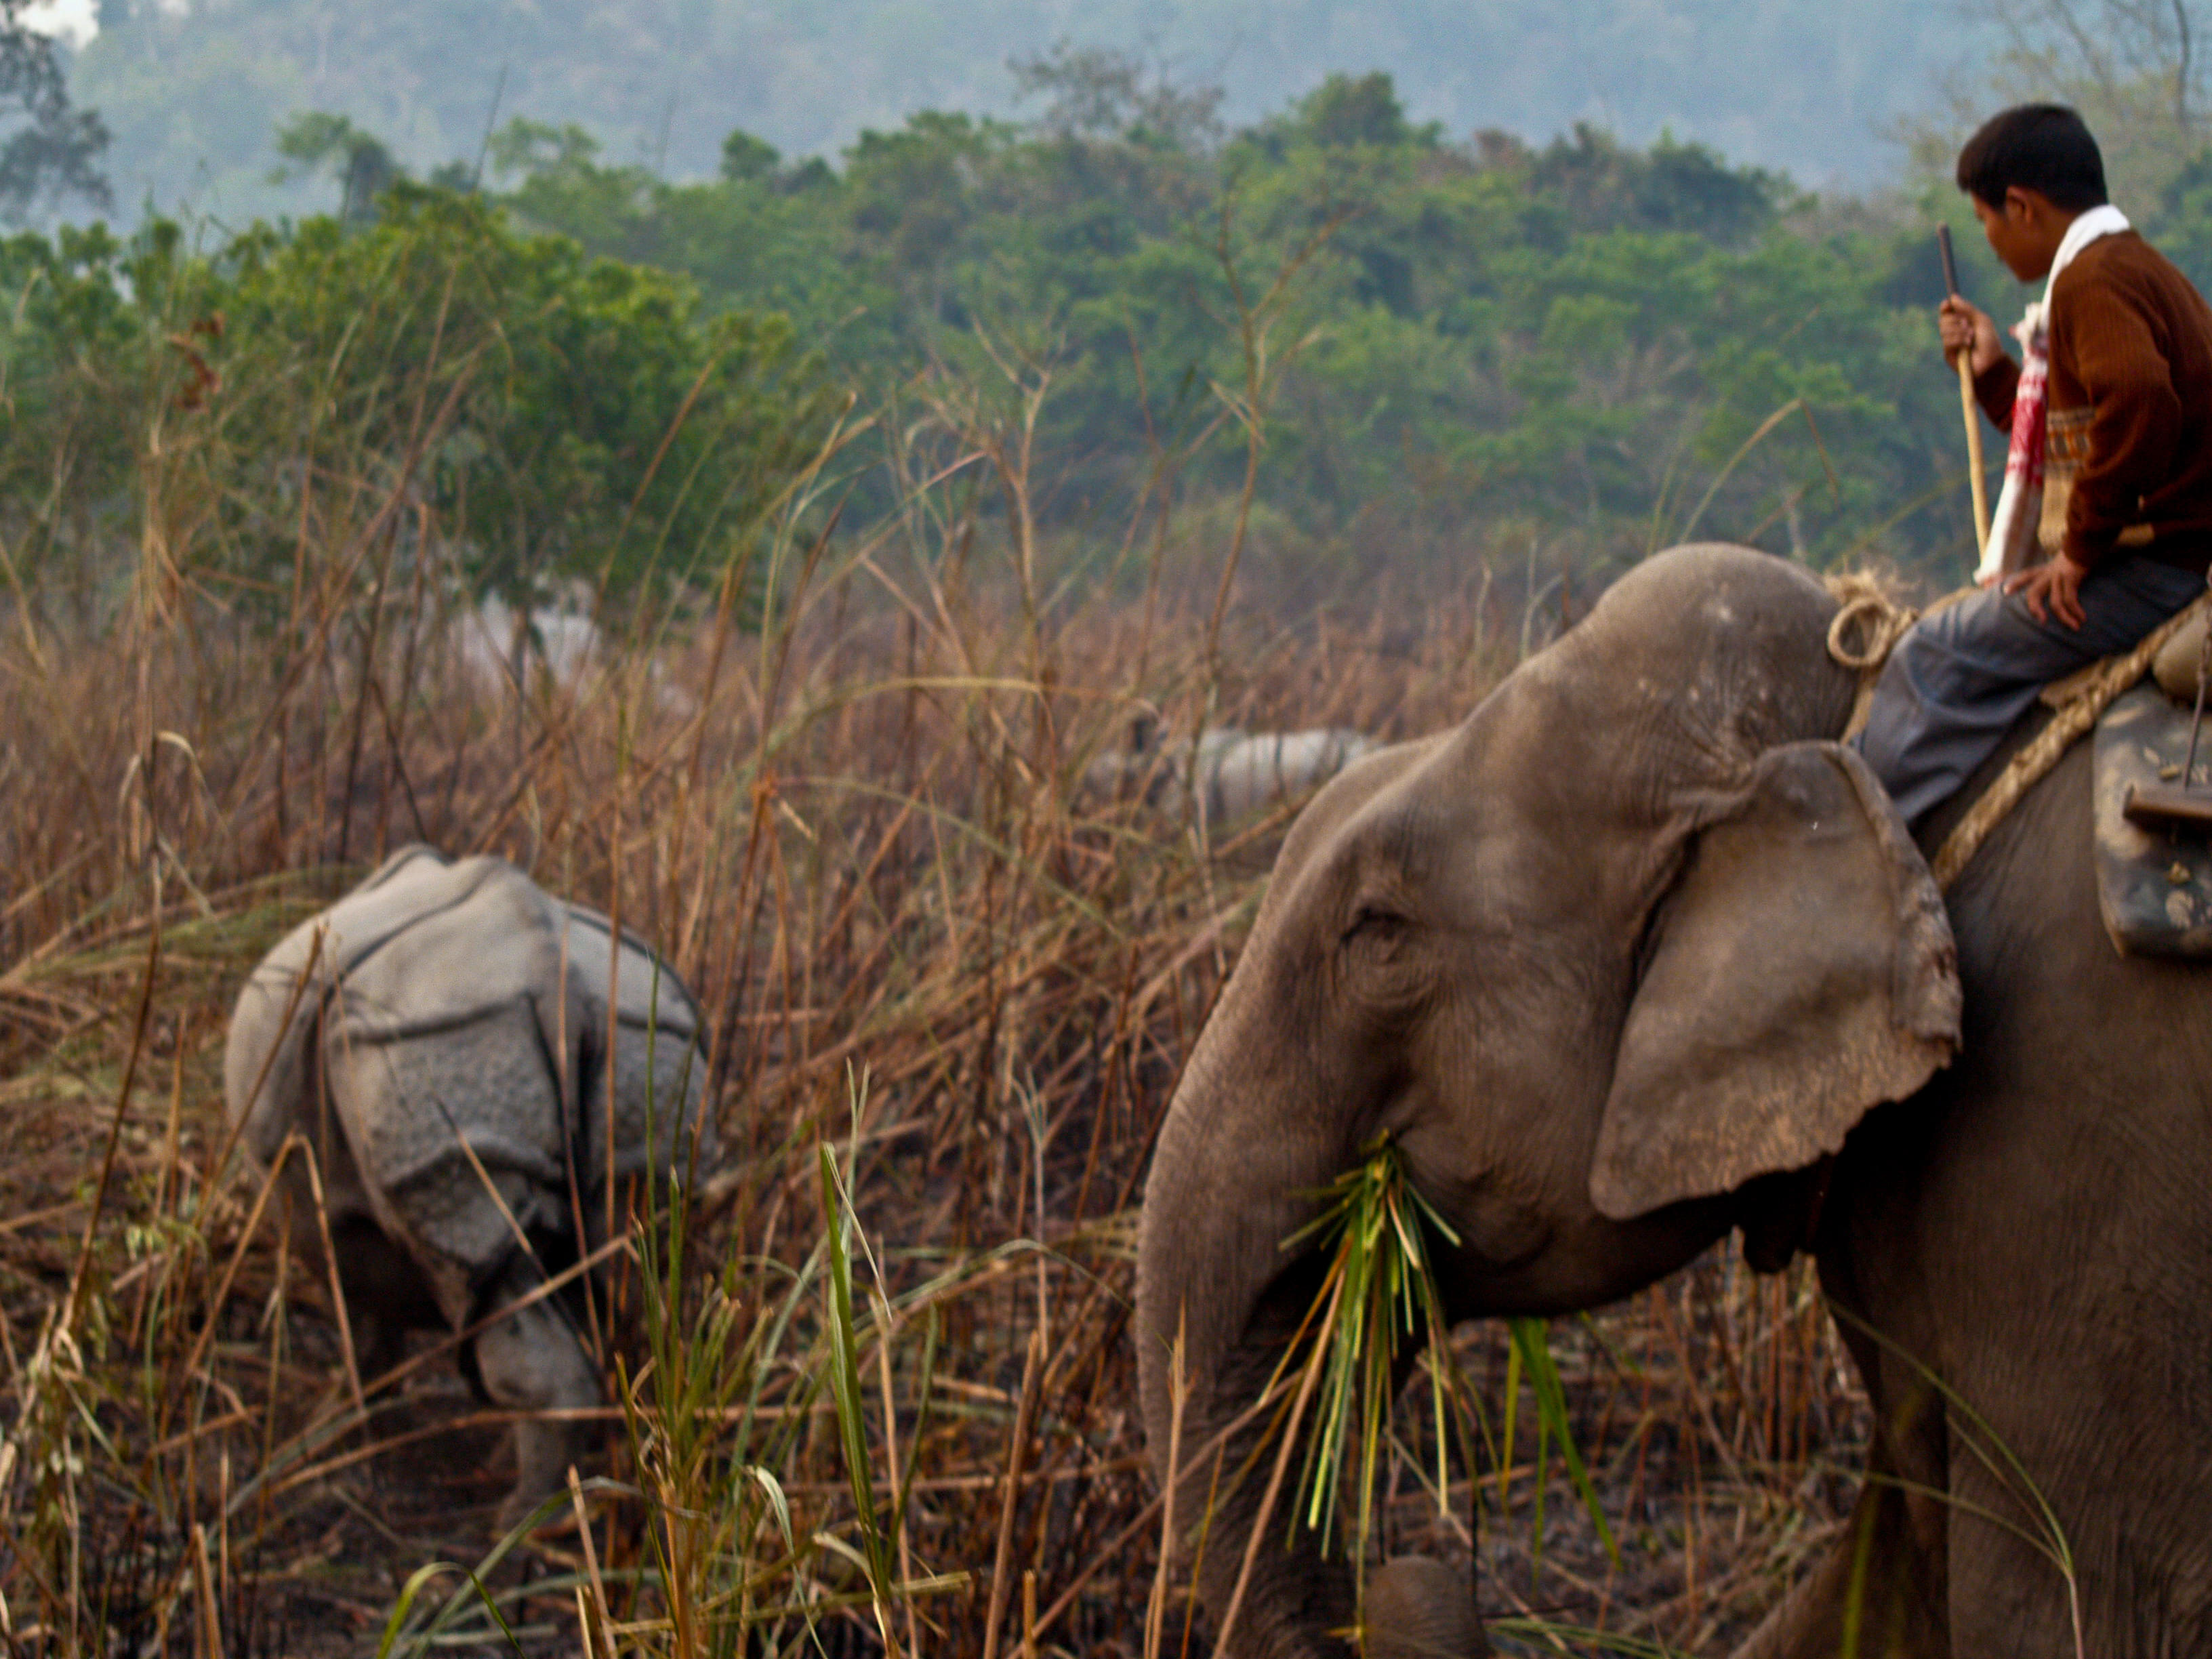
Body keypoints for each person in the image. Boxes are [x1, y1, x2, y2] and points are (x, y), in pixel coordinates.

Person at [1856, 103, 2212, 831]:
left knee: (1931, 654)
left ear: (2021, 207)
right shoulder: (2135, 267)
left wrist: (2078, 554)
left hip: (2158, 572)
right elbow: (2087, 436)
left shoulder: (2090, 283)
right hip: (2173, 559)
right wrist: (1995, 375)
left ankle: (1865, 851)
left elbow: (2142, 402)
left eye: (1987, 220)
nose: (1988, 243)